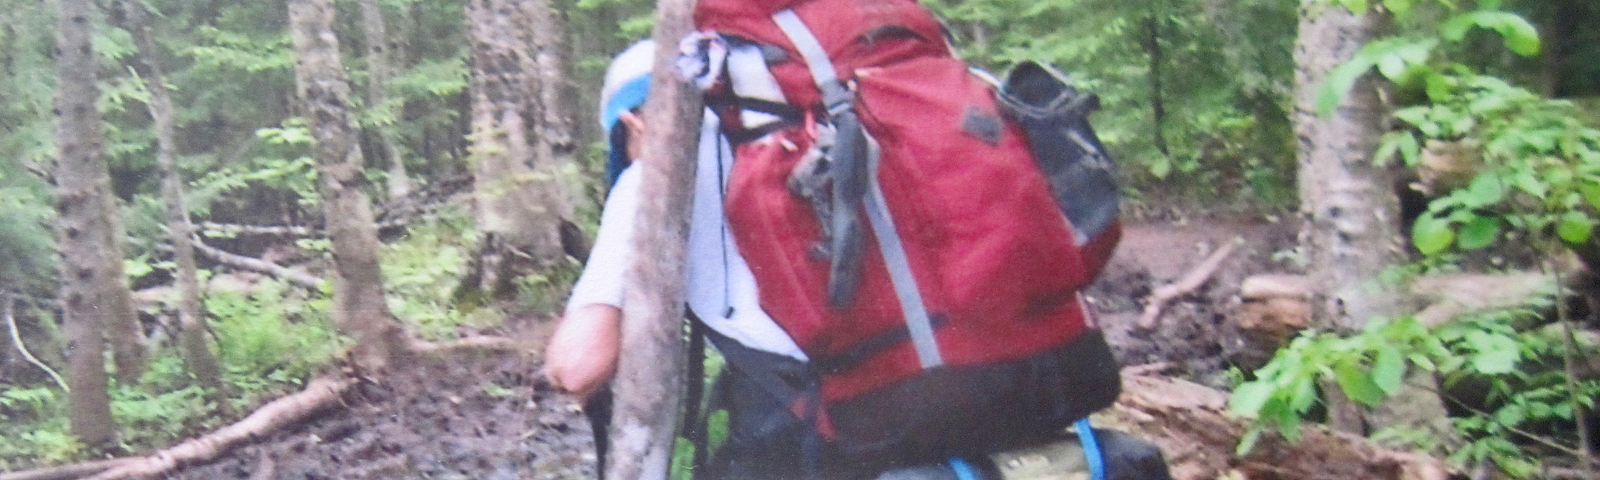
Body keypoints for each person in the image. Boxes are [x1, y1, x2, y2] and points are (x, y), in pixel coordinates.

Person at [543, 39, 816, 479]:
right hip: (924, 382)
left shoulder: (652, 179)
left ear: (633, 120)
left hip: (798, 416)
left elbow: (580, 364)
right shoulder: (822, 138)